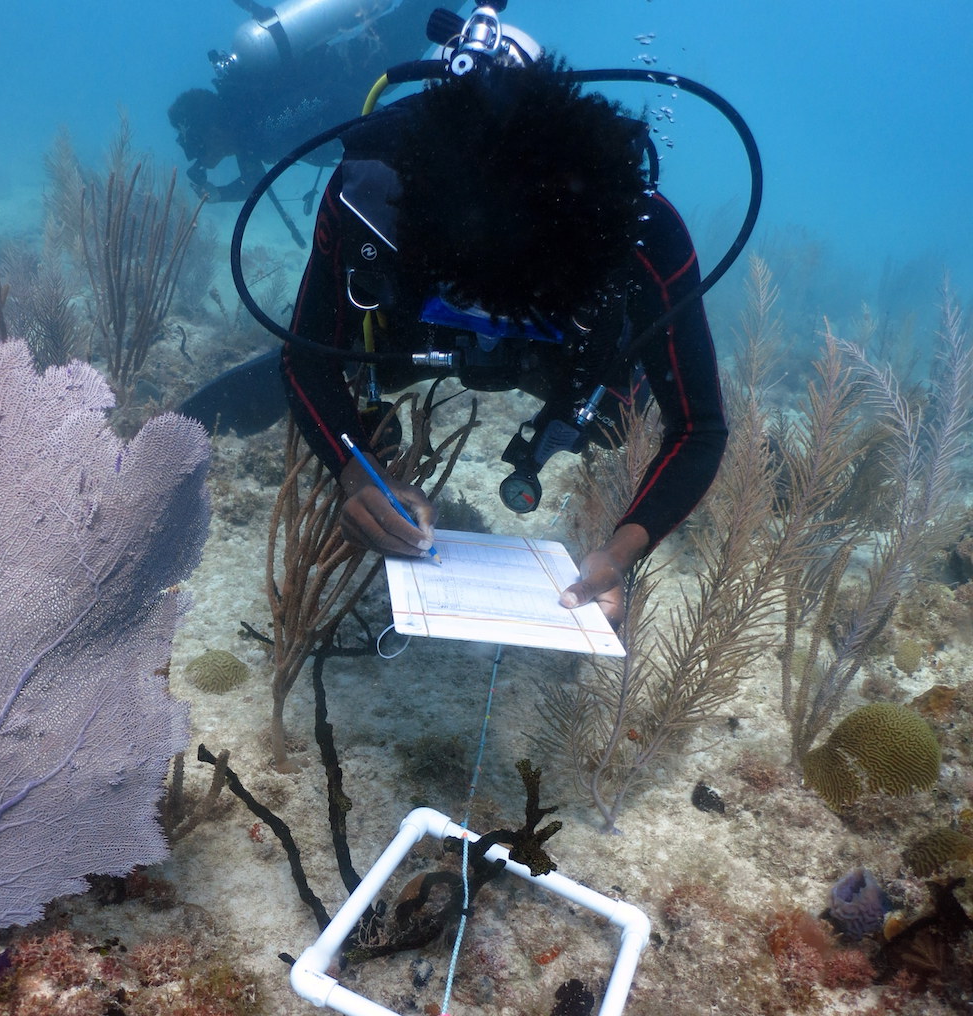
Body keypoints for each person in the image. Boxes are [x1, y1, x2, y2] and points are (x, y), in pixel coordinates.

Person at [279, 50, 729, 627]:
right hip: (413, 335)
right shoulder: (374, 195)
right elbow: (305, 358)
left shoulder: (641, 233)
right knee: (353, 367)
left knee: (619, 419)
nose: (493, 320)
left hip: (567, 359)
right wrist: (357, 469)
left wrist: (621, 552)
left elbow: (697, 427)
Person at [168, 0, 436, 204]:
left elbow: (331, 95)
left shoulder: (265, 125)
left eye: (197, 147)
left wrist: (395, 125)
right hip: (368, 69)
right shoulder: (244, 134)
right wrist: (218, 194)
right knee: (428, 16)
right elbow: (252, 181)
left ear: (213, 133)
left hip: (367, 62)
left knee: (427, 15)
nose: (198, 158)